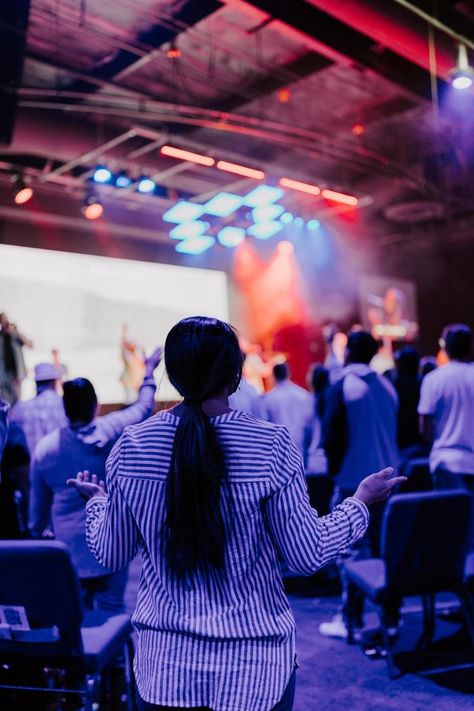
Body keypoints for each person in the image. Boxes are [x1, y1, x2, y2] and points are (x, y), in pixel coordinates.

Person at [69, 316, 404, 711]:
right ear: (236, 374)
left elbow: (111, 553)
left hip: (165, 671)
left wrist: (96, 504)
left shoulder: (133, 446)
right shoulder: (270, 444)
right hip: (256, 670)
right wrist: (360, 503)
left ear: (172, 375)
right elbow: (307, 553)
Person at [30, 347, 162, 611]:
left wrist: (39, 533)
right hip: (111, 542)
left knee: (78, 619)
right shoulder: (111, 430)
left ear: (64, 409)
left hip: (69, 552)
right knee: (112, 615)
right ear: (95, 404)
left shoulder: (46, 448)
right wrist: (148, 372)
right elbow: (144, 407)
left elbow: (37, 514)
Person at [319, 330, 399, 638]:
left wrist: (336, 475)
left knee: (349, 551)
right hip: (389, 481)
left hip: (355, 483)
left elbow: (330, 439)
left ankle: (349, 619)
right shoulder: (386, 386)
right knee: (384, 551)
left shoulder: (343, 385)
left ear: (349, 352)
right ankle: (390, 619)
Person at [418, 324, 474, 544]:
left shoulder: (434, 379)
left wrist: (433, 447)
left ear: (445, 347)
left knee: (453, 533)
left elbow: (425, 425)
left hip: (447, 463)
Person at [10, 362, 68, 457]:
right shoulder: (66, 404)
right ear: (54, 381)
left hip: (30, 468)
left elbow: (12, 442)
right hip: (61, 464)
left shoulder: (20, 408)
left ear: (36, 383)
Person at [261, 362, 313, 460]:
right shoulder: (303, 395)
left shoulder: (268, 399)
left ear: (273, 376)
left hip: (278, 450)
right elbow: (309, 426)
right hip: (300, 447)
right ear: (289, 374)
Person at [0, 313, 33, 405]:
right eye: (2, 320)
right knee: (6, 403)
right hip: (4, 376)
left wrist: (16, 332)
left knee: (17, 402)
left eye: (5, 320)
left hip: (16, 375)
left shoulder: (15, 335)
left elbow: (30, 345)